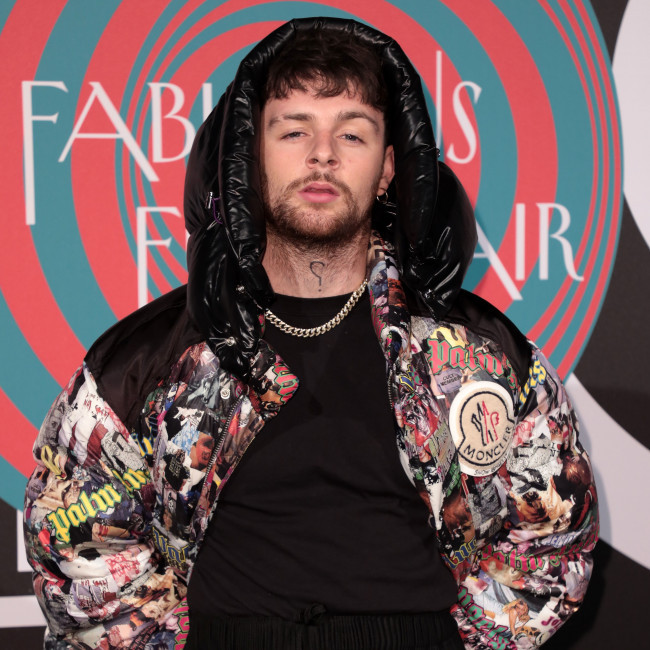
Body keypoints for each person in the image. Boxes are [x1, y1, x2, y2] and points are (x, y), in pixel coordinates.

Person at [23, 17, 598, 650]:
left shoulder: (477, 356)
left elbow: (551, 540)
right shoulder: (147, 361)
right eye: (294, 130)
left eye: (351, 133)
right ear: (248, 159)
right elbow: (74, 540)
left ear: (388, 167)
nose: (323, 154)